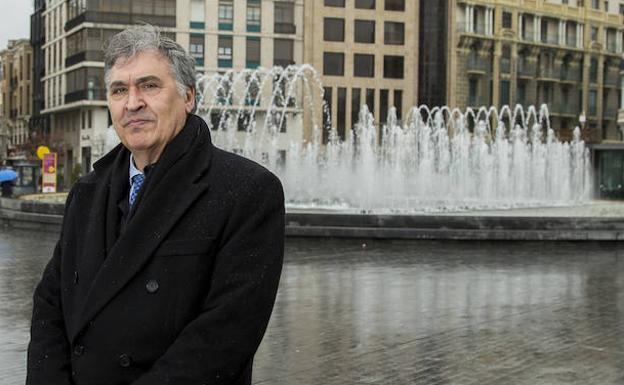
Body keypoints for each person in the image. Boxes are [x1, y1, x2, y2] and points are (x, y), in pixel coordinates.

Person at [27, 25, 284, 385]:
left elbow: (223, 337)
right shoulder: (85, 192)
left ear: (188, 96)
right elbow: (50, 307)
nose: (132, 103)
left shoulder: (247, 191)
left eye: (149, 85)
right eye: (119, 90)